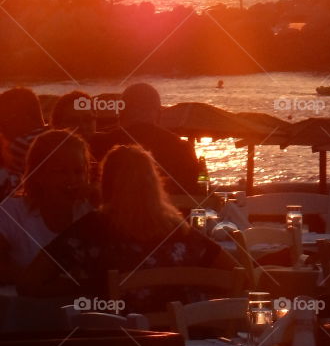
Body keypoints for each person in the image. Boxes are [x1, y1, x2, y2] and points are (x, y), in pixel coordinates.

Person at [18, 143, 237, 313]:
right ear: (154, 185)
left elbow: (28, 284)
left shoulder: (91, 229)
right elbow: (237, 275)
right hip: (188, 343)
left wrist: (83, 286)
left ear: (107, 183)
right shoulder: (179, 231)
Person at [0, 130, 94, 281]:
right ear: (38, 175)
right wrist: (40, 279)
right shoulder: (12, 211)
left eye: (78, 171)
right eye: (61, 172)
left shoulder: (91, 212)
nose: (72, 179)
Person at [89, 81, 200, 197]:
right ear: (159, 114)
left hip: (114, 213)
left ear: (121, 113)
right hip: (167, 213)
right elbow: (194, 192)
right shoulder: (182, 148)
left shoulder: (99, 144)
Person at [0, 87, 47, 180]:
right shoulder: (56, 134)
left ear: (19, 119)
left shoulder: (22, 144)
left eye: (2, 120)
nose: (2, 129)